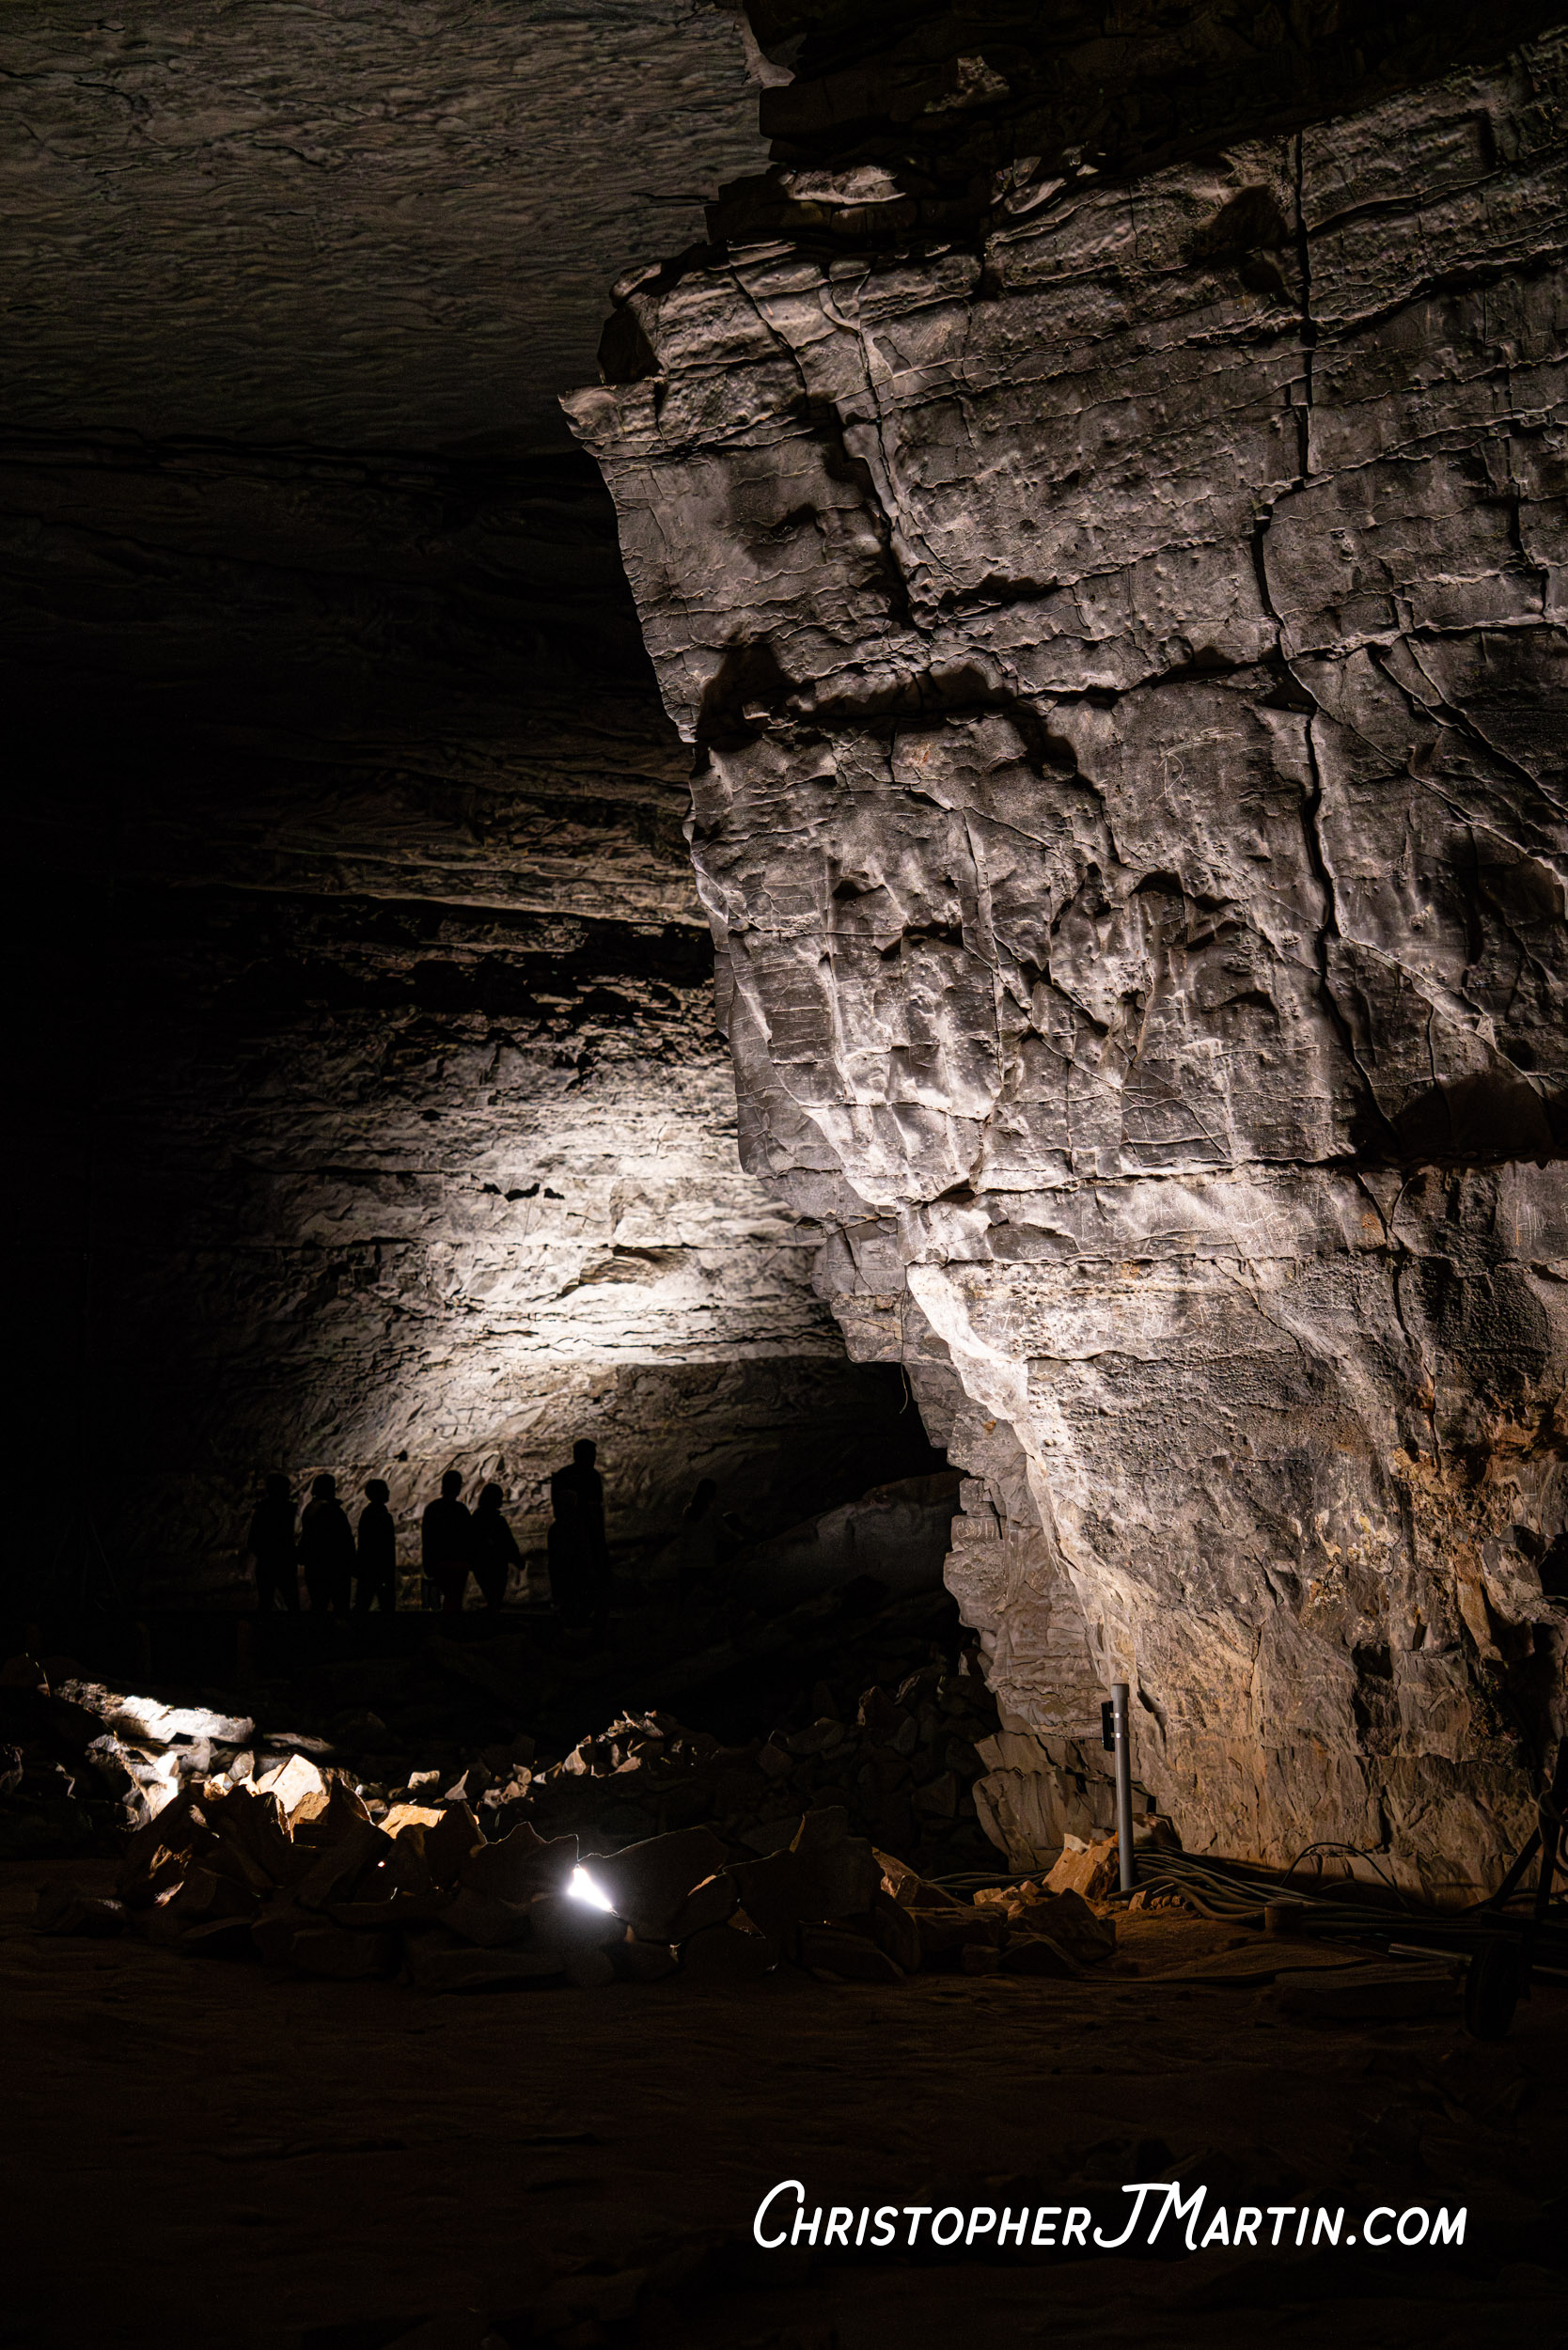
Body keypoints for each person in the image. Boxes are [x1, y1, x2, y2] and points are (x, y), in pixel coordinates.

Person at [548, 1438, 610, 1633]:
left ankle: (572, 1615)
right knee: (584, 1575)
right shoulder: (589, 1476)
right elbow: (594, 1508)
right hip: (584, 1531)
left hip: (573, 1530)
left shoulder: (564, 1476)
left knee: (568, 1575)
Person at [298, 1472, 354, 1614]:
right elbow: (343, 1540)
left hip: (316, 1566)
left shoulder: (311, 1508)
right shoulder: (332, 1511)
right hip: (335, 1567)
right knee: (339, 1606)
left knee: (319, 1604)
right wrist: (351, 1561)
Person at [421, 1468, 475, 1613]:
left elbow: (427, 1538)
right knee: (454, 1600)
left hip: (438, 1562)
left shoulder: (433, 1508)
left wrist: (427, 1563)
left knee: (441, 1602)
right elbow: (469, 1537)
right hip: (458, 1563)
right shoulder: (461, 1510)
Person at [244, 1473, 299, 1612]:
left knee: (265, 1602)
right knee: (292, 1603)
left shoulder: (261, 1511)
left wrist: (264, 1555)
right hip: (285, 1563)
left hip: (266, 1563)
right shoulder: (290, 1510)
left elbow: (252, 1541)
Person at [471, 1482, 524, 1613]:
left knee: (491, 1598)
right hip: (497, 1566)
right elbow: (508, 1543)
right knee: (496, 1599)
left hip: (481, 1565)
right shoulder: (497, 1521)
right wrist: (518, 1560)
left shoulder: (476, 1518)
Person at [354, 1479, 398, 1613]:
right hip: (380, 1568)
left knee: (364, 1603)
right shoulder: (382, 1516)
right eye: (385, 1490)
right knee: (385, 1604)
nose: (388, 1492)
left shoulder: (368, 1514)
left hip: (369, 1568)